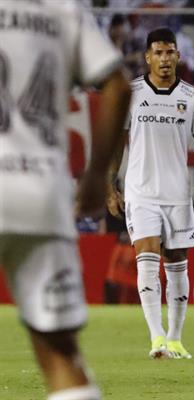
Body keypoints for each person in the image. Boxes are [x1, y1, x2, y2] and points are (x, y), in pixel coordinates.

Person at [0, 1, 131, 399]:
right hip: (39, 192)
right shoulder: (60, 6)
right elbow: (118, 84)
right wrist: (94, 178)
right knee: (59, 351)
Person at [107, 27, 194, 359]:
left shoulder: (192, 97)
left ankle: (175, 338)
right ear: (147, 57)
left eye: (169, 52)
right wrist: (110, 185)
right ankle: (156, 338)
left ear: (178, 56)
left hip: (177, 194)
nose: (164, 58)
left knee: (177, 264)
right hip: (140, 192)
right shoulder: (131, 94)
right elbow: (117, 142)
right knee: (146, 257)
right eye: (157, 53)